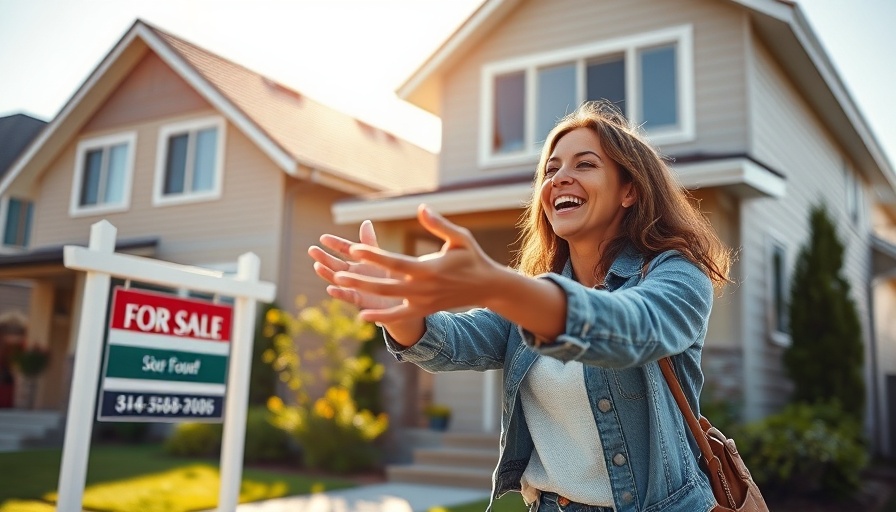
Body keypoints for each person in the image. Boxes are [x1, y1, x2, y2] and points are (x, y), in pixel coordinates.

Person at [308, 100, 731, 512]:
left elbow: (632, 329)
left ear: (629, 191)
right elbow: (453, 341)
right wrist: (399, 311)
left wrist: (496, 284)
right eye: (551, 169)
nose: (559, 178)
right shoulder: (532, 295)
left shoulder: (677, 275)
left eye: (584, 164)